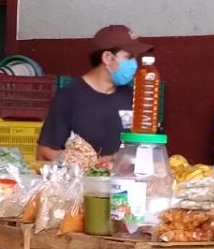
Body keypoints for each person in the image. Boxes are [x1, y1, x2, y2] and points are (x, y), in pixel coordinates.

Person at [37, 25, 154, 162]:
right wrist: (91, 164)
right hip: (83, 181)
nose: (135, 64)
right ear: (107, 58)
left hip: (126, 181)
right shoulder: (70, 96)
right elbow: (44, 152)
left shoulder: (133, 97)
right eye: (129, 57)